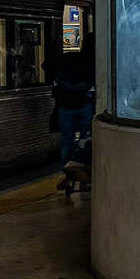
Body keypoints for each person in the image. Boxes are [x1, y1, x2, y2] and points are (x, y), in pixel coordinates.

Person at [52, 48, 94, 190]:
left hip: (66, 107)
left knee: (67, 143)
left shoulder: (63, 63)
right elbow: (90, 83)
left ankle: (68, 174)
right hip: (83, 105)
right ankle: (84, 177)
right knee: (84, 141)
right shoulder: (88, 62)